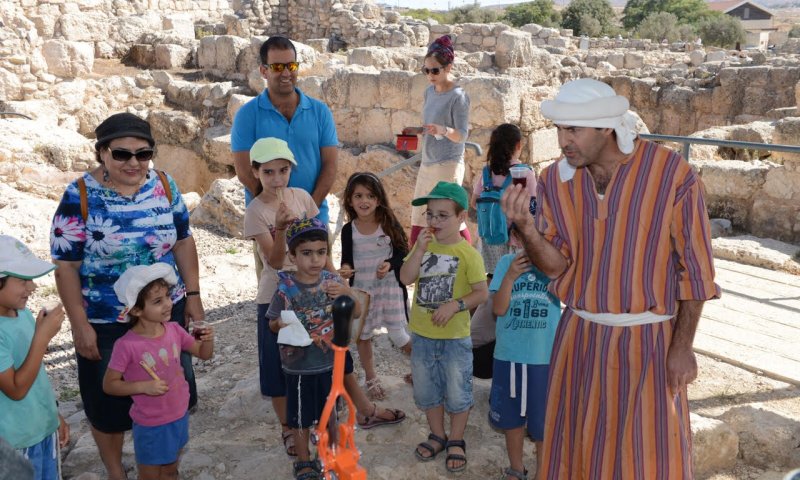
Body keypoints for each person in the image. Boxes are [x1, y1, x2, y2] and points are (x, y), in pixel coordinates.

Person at [501, 78, 720, 479]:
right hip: (580, 337)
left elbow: (697, 269)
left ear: (606, 128)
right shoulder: (555, 181)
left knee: (648, 456)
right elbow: (554, 268)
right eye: (559, 130)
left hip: (649, 342)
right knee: (577, 448)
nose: (564, 141)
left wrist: (682, 347)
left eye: (574, 130)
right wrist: (526, 228)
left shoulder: (671, 174)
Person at [50, 112, 204, 480]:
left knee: (170, 391)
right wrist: (79, 324)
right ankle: (117, 471)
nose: (133, 163)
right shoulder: (79, 195)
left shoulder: (165, 185)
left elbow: (183, 241)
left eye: (143, 154)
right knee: (107, 403)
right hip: (106, 320)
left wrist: (194, 295)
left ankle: (164, 466)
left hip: (164, 313)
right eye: (121, 154)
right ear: (102, 153)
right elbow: (66, 266)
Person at [267, 218, 406, 480]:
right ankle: (303, 462)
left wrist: (347, 292)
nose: (315, 259)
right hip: (298, 367)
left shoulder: (332, 282)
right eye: (306, 253)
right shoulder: (286, 288)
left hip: (330, 364)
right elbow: (272, 323)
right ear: (292, 256)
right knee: (298, 418)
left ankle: (328, 455)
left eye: (321, 252)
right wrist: (282, 322)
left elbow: (355, 314)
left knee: (329, 413)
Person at [399, 182, 488, 474]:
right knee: (427, 390)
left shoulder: (468, 254)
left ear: (461, 217)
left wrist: (455, 305)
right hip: (423, 336)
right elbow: (405, 278)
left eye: (443, 216)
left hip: (454, 338)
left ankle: (457, 439)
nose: (434, 222)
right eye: (430, 215)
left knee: (458, 390)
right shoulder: (422, 246)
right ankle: (438, 434)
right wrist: (419, 250)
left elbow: (481, 293)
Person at [243, 137, 320, 457]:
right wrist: (280, 229)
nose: (277, 179)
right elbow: (274, 261)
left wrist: (331, 276)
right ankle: (288, 427)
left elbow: (319, 241)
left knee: (311, 360)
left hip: (310, 293)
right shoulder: (255, 211)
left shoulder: (302, 197)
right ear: (256, 172)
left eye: (283, 170)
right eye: (269, 172)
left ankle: (312, 421)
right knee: (277, 367)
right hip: (275, 296)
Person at [104, 263, 214, 480]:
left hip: (179, 414)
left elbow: (203, 353)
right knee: (150, 474)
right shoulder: (126, 345)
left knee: (171, 469)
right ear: (136, 310)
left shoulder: (173, 330)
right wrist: (143, 387)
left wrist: (209, 339)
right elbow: (109, 384)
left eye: (167, 296)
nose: (168, 304)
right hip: (151, 424)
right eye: (157, 301)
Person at [231, 35, 338, 224]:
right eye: (278, 67)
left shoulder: (320, 112)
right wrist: (276, 211)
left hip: (315, 220)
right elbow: (244, 171)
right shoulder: (247, 115)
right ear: (264, 71)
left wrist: (308, 212)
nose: (286, 72)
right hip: (267, 223)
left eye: (291, 66)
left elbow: (330, 166)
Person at [0, 236, 70, 480]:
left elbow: (37, 375)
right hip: (13, 445)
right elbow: (16, 389)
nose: (33, 287)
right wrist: (42, 338)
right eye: (23, 280)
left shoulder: (23, 315)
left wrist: (52, 414)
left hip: (40, 430)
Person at [488, 248, 561, 480]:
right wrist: (510, 276)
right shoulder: (506, 263)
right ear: (513, 237)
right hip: (509, 356)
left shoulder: (555, 264)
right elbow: (498, 309)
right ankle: (516, 468)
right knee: (510, 419)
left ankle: (543, 471)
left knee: (542, 424)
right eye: (520, 234)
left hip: (544, 359)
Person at [339, 172, 411, 400]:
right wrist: (346, 268)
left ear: (378, 200)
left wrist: (390, 264)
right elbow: (346, 259)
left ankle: (422, 369)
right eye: (358, 196)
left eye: (370, 196)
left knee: (399, 334)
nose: (364, 201)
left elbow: (403, 252)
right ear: (350, 200)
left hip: (389, 288)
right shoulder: (348, 230)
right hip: (363, 291)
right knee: (364, 335)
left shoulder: (388, 224)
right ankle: (371, 378)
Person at [409, 35, 471, 247]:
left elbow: (462, 135)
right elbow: (429, 126)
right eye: (426, 70)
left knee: (450, 217)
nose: (430, 75)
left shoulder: (458, 96)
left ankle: (467, 261)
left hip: (448, 163)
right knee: (419, 215)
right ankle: (417, 264)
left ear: (448, 67)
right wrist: (416, 130)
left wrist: (444, 130)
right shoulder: (429, 92)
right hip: (428, 162)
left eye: (435, 70)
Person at [470, 123, 537, 277]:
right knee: (514, 279)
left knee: (492, 276)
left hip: (490, 238)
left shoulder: (487, 173)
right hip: (515, 239)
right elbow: (533, 208)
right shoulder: (525, 174)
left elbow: (474, 202)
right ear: (518, 145)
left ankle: (490, 302)